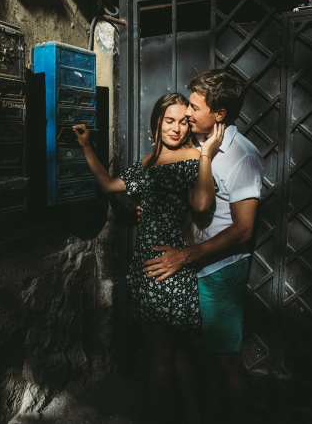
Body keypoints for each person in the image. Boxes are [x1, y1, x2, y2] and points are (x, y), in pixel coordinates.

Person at [73, 92, 224, 424]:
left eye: (184, 122)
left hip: (173, 266)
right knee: (170, 353)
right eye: (169, 120)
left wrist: (206, 155)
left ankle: (174, 416)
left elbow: (201, 206)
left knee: (168, 355)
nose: (177, 128)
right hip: (148, 267)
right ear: (157, 121)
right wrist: (86, 147)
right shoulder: (147, 163)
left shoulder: (193, 158)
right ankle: (191, 415)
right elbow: (111, 185)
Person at [141, 70, 265, 424]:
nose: (188, 113)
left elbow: (243, 230)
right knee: (196, 354)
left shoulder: (242, 156)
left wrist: (185, 255)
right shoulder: (199, 147)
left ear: (220, 114)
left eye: (195, 107)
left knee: (225, 360)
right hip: (192, 267)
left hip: (219, 271)